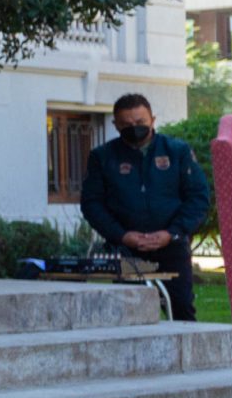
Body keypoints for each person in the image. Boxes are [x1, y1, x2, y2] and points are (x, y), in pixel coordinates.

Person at [78, 93, 211, 321]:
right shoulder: (103, 157)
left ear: (152, 119)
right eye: (127, 124)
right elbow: (91, 204)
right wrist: (122, 235)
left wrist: (172, 233)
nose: (134, 127)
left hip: (172, 247)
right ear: (116, 125)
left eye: (140, 122)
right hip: (127, 250)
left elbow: (198, 198)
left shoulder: (177, 151)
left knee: (181, 311)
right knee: (129, 314)